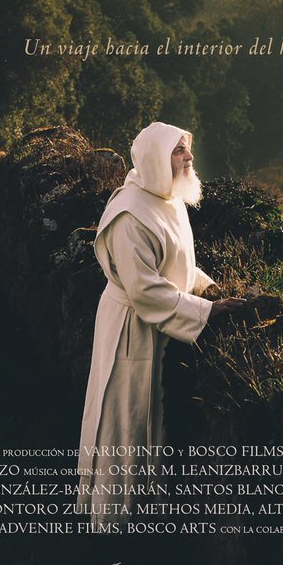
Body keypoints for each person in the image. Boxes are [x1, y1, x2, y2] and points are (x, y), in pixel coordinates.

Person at [77, 121, 244, 531]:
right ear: (155, 159)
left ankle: (150, 511)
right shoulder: (130, 216)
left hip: (157, 323)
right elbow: (146, 290)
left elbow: (177, 263)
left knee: (155, 419)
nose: (189, 157)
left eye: (187, 148)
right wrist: (208, 311)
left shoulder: (166, 197)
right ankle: (115, 521)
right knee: (126, 419)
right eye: (178, 150)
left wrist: (207, 286)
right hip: (130, 331)